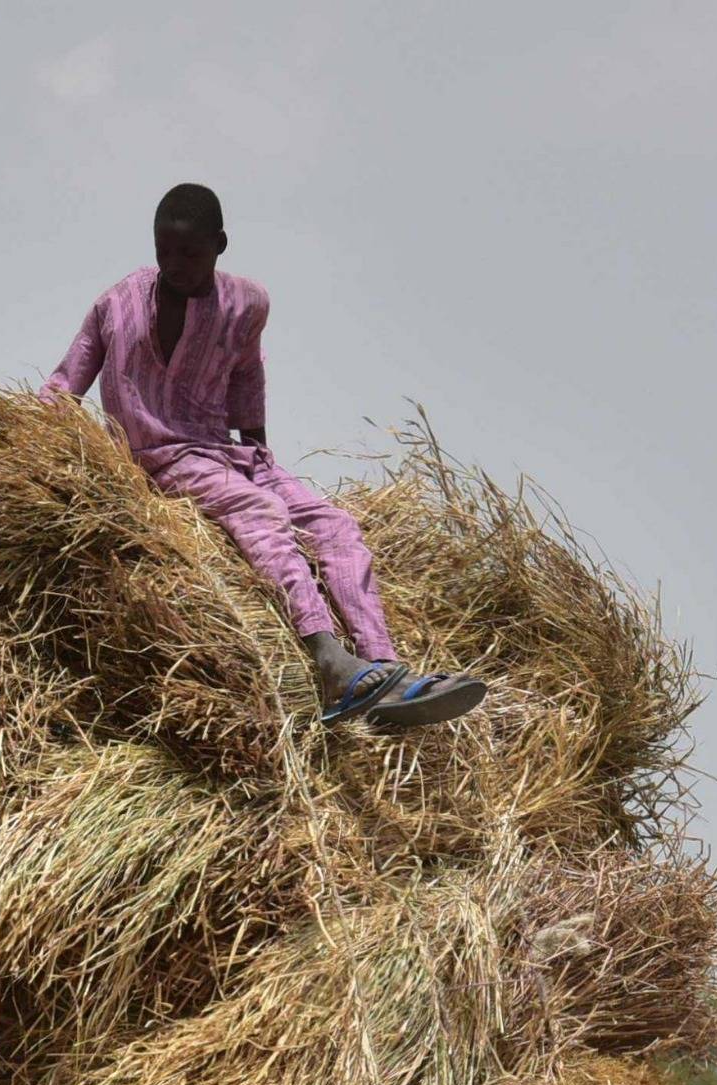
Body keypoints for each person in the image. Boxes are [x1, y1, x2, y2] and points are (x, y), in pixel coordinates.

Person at [45, 184, 488, 734]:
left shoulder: (247, 303)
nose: (174, 264)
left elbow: (247, 371)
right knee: (260, 513)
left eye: (190, 253)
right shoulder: (117, 304)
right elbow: (63, 387)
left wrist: (257, 449)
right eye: (165, 250)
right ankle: (329, 658)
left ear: (220, 245)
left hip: (228, 452)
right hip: (158, 456)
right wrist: (51, 457)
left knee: (334, 524)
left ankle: (384, 663)